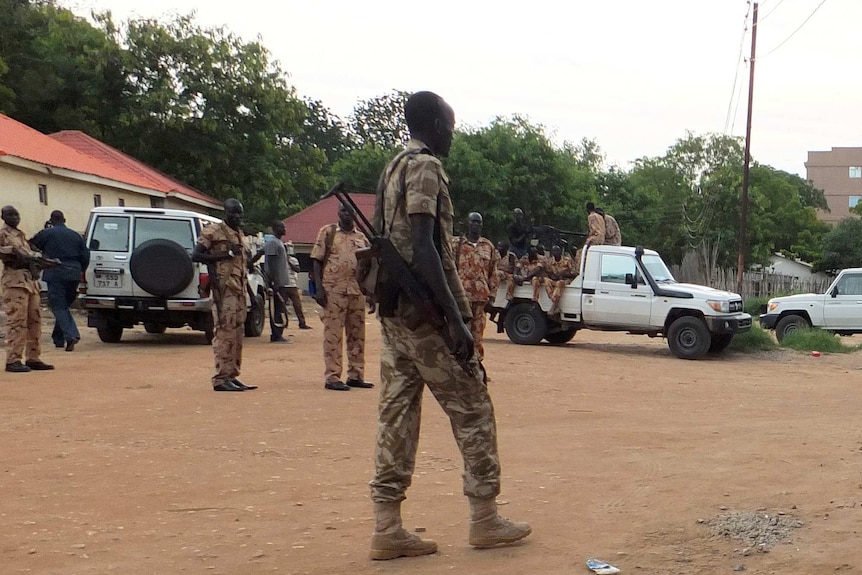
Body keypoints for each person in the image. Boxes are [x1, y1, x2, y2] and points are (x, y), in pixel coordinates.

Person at [369, 91, 530, 561]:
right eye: (451, 127)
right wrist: (455, 321)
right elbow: (424, 247)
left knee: (396, 415)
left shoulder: (391, 167)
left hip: (396, 312)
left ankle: (387, 525)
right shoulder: (424, 167)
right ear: (436, 124)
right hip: (425, 315)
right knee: (474, 408)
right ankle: (484, 518)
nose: (453, 136)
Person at [192, 199, 257, 392]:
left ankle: (232, 374)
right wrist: (224, 255)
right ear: (225, 213)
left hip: (239, 289)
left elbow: (244, 266)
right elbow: (195, 256)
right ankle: (221, 377)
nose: (237, 217)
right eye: (233, 213)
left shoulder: (240, 234)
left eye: (240, 214)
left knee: (237, 333)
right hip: (223, 289)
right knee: (224, 332)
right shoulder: (213, 231)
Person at [310, 203, 373, 392]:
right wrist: (319, 289)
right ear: (338, 213)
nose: (347, 215)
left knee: (357, 335)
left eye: (350, 212)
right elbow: (316, 260)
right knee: (333, 335)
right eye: (344, 211)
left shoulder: (361, 237)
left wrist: (370, 292)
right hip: (333, 291)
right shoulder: (328, 233)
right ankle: (333, 376)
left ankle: (356, 374)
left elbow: (368, 266)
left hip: (356, 291)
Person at [0, 205, 54, 372]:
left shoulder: (21, 235)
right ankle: (13, 359)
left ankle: (33, 357)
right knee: (17, 320)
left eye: (16, 214)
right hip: (15, 281)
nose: (15, 217)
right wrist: (15, 252)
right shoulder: (3, 235)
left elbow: (32, 255)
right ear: (3, 217)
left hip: (30, 281)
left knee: (34, 320)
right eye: (10, 214)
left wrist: (46, 262)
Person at [29, 210, 90, 351]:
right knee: (63, 307)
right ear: (65, 220)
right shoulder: (76, 235)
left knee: (58, 306)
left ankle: (71, 335)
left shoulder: (47, 233)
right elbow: (86, 256)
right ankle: (58, 338)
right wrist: (80, 270)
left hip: (55, 272)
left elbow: (30, 245)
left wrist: (42, 258)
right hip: (74, 273)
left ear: (51, 220)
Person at [452, 212, 499, 360]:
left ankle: (477, 366)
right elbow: (449, 269)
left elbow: (494, 273)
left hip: (480, 298)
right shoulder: (456, 245)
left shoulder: (488, 246)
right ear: (468, 223)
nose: (476, 225)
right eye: (473, 222)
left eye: (479, 222)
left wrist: (492, 297)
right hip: (461, 297)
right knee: (460, 333)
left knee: (478, 335)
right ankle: (460, 365)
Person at [262, 221, 294, 344]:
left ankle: (278, 333)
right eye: (282, 227)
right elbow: (271, 262)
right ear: (275, 229)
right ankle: (276, 334)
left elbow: (260, 253)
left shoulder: (278, 242)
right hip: (276, 282)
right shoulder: (273, 242)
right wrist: (274, 281)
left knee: (280, 307)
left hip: (281, 282)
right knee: (276, 308)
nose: (285, 228)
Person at [574, 201, 606, 275]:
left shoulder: (591, 216)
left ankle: (578, 273)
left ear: (587, 209)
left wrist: (588, 237)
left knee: (580, 253)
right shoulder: (600, 217)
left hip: (595, 238)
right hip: (602, 239)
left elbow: (594, 229)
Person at [284, 244, 311, 330]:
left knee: (297, 305)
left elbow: (298, 270)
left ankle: (302, 323)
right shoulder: (278, 261)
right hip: (283, 285)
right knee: (282, 306)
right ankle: (284, 323)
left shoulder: (293, 260)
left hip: (292, 285)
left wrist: (289, 262)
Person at [544, 244, 576, 314]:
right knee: (546, 280)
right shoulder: (550, 261)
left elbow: (574, 273)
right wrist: (552, 276)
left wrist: (563, 274)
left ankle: (554, 306)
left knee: (560, 283)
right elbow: (548, 272)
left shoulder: (567, 260)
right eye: (554, 251)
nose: (555, 252)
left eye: (557, 250)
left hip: (566, 279)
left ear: (560, 251)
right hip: (555, 279)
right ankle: (554, 300)